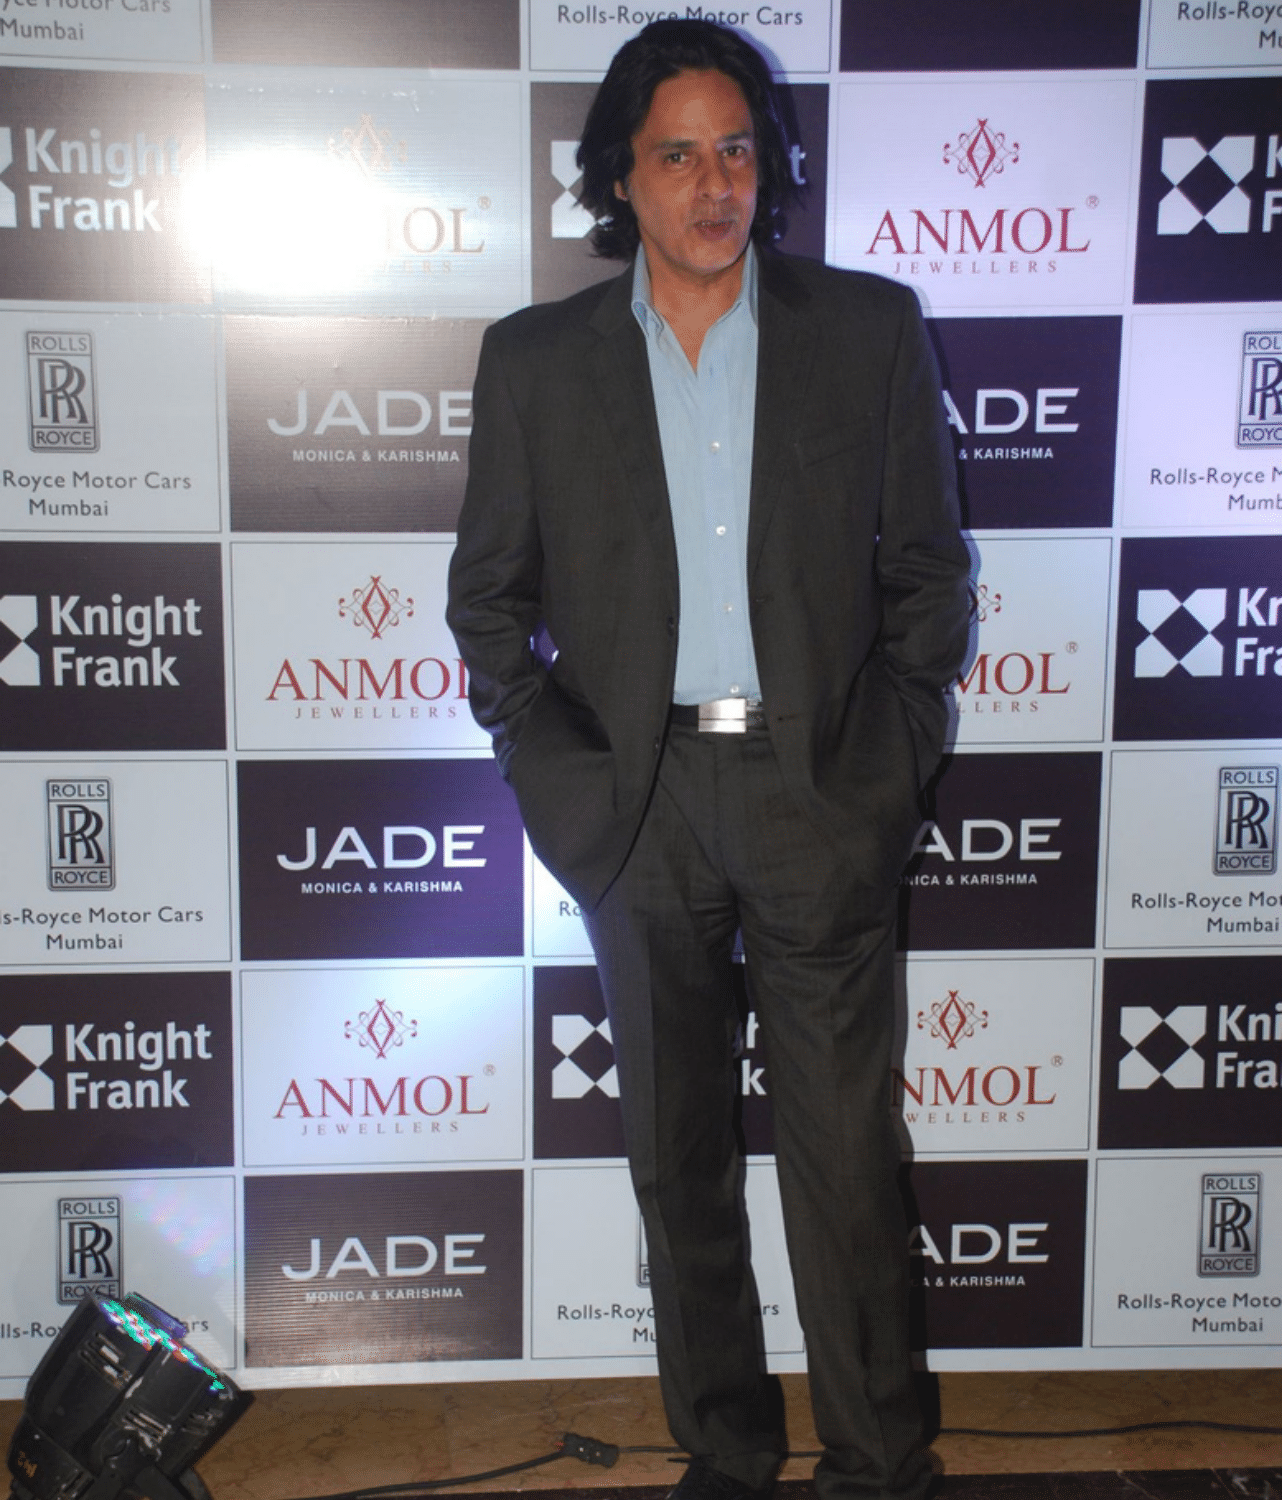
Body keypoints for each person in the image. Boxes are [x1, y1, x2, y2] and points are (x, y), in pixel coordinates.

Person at [447, 19, 970, 1500]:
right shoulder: (535, 362)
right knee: (677, 1166)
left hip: (820, 798)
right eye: (676, 154)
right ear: (622, 175)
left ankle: (879, 1469)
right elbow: (489, 602)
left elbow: (928, 575)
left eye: (736, 149)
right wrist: (560, 776)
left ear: (768, 165)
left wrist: (887, 765)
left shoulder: (867, 329)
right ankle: (728, 1459)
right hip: (639, 808)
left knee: (846, 1167)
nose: (712, 182)